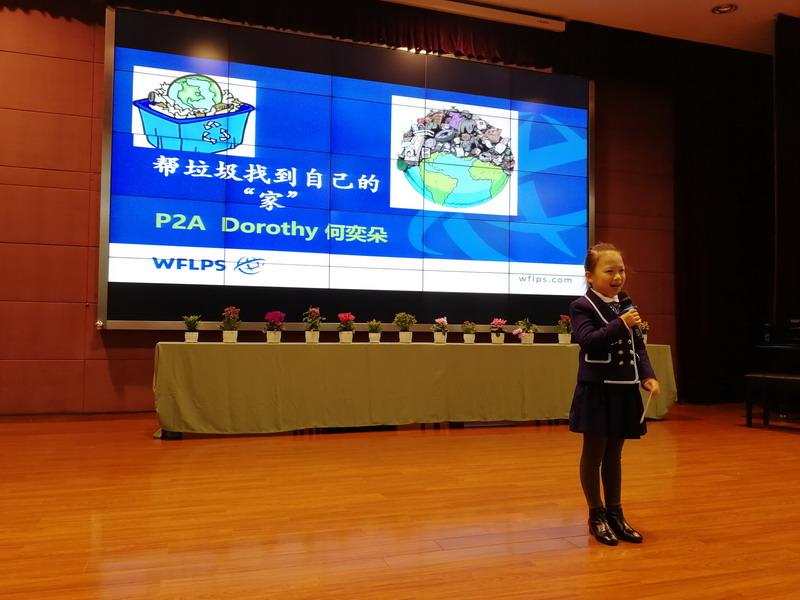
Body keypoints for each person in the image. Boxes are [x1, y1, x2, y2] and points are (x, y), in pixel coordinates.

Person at [568, 242, 660, 546]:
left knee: (614, 455)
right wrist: (621, 323)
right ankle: (596, 515)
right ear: (590, 275)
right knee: (593, 454)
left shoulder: (625, 304)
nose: (618, 276)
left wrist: (647, 375)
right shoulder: (582, 306)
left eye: (621, 270)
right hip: (597, 390)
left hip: (623, 390)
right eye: (610, 271)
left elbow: (638, 345)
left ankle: (616, 513)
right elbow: (588, 340)